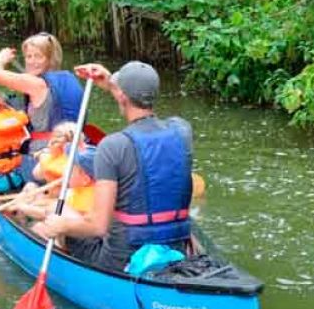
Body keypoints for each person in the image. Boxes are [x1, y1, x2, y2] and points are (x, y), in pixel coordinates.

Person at [32, 61, 194, 272]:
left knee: (56, 216)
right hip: (176, 245)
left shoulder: (112, 146)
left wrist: (61, 225)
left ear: (121, 96)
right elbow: (136, 99)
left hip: (121, 258)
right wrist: (111, 84)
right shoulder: (182, 131)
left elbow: (99, 226)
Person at [0, 32, 83, 180]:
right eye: (28, 56)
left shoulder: (36, 84)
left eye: (38, 56)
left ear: (50, 59)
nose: (31, 62)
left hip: (44, 154)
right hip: (76, 150)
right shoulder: (70, 79)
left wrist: (1, 60)